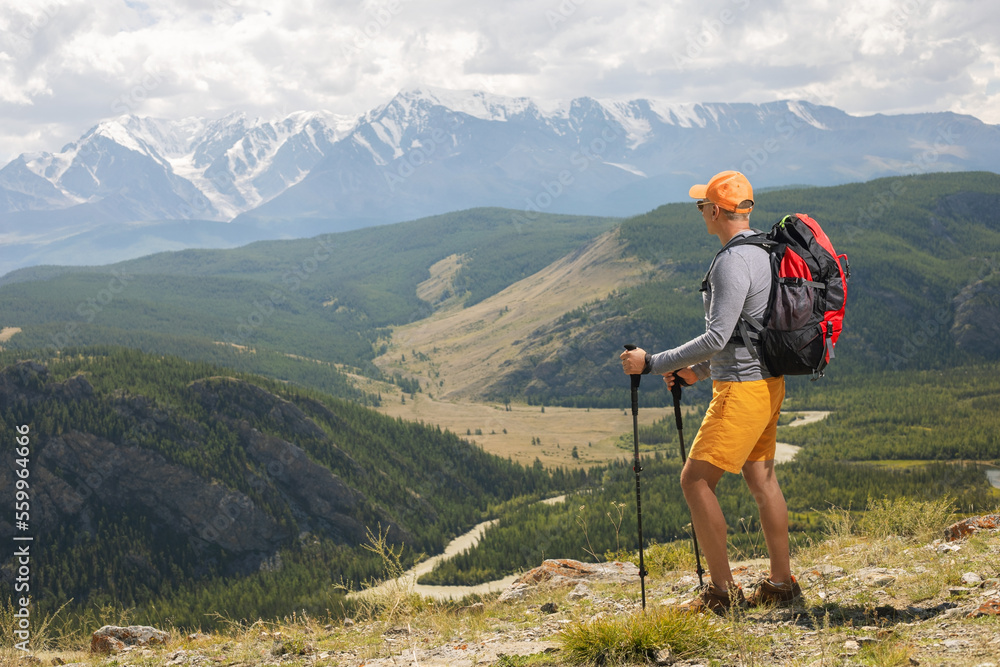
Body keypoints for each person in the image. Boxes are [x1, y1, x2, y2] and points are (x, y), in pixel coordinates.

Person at [619, 170, 802, 613]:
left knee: (695, 480)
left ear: (717, 211)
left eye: (703, 205)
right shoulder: (766, 250)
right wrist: (699, 372)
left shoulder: (730, 261)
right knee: (763, 480)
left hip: (740, 391)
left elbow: (718, 335)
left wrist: (654, 363)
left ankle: (722, 595)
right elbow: (749, 331)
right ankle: (781, 584)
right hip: (767, 383)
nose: (701, 211)